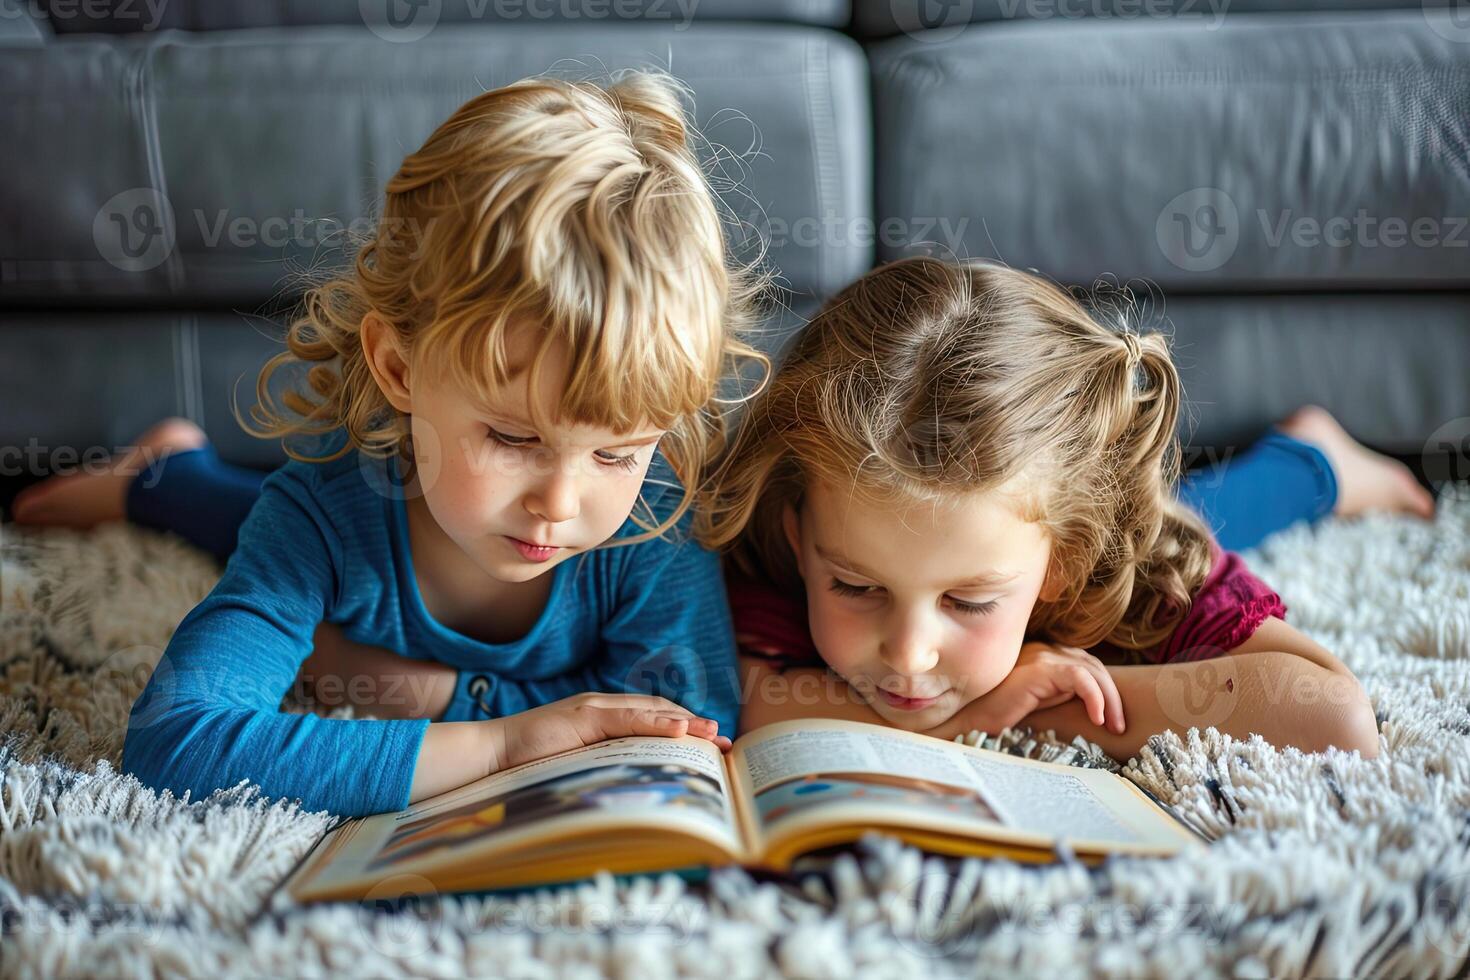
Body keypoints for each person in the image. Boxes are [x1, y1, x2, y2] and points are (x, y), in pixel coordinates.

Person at [12, 72, 770, 817]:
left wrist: (428, 692)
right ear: (399, 366)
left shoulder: (656, 516)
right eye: (512, 437)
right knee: (247, 517)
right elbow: (174, 738)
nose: (559, 503)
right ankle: (165, 474)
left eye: (617, 452)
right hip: (350, 505)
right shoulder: (318, 512)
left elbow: (686, 722)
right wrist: (506, 742)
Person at [699, 257, 1428, 759]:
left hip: (1129, 532)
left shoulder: (1133, 560)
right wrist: (987, 711)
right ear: (799, 540)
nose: (909, 652)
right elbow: (753, 698)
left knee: (1186, 520)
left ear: (1066, 560)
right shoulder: (793, 515)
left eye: (970, 599)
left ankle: (1314, 465)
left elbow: (1330, 712)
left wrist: (1047, 709)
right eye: (855, 588)